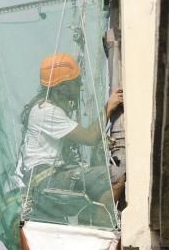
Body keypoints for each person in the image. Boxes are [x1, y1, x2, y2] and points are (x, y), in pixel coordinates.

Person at [20, 52, 123, 222]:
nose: (80, 86)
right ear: (63, 86)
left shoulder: (45, 108)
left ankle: (92, 223)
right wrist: (108, 107)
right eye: (76, 82)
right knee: (115, 177)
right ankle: (103, 226)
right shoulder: (48, 112)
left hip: (45, 178)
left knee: (93, 188)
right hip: (47, 179)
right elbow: (90, 137)